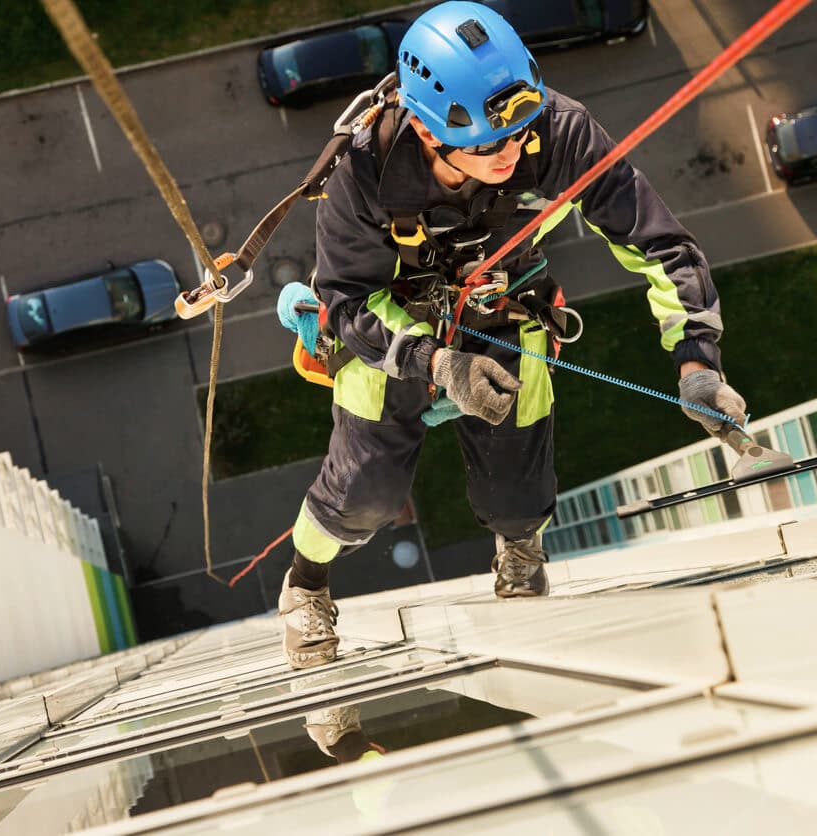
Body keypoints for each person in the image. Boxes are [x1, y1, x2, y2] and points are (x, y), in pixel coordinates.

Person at [277, 1, 747, 669]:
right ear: (425, 128)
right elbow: (348, 301)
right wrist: (436, 363)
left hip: (506, 313)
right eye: (486, 144)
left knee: (519, 496)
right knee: (366, 492)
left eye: (519, 133)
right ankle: (306, 586)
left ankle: (520, 548)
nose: (511, 153)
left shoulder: (557, 133)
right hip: (394, 332)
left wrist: (697, 361)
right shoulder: (364, 175)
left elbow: (660, 246)